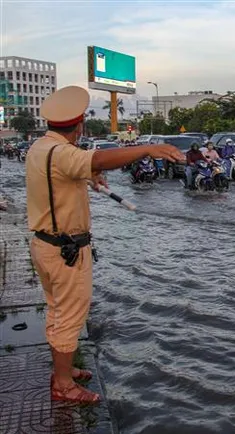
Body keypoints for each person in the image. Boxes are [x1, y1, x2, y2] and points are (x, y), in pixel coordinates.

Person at [26, 85, 183, 404]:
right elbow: (98, 157)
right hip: (66, 251)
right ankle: (63, 385)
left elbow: (62, 176)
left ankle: (63, 371)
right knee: (70, 315)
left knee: (57, 311)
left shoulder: (40, 149)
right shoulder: (64, 153)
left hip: (44, 246)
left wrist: (88, 177)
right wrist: (145, 150)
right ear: (80, 122)